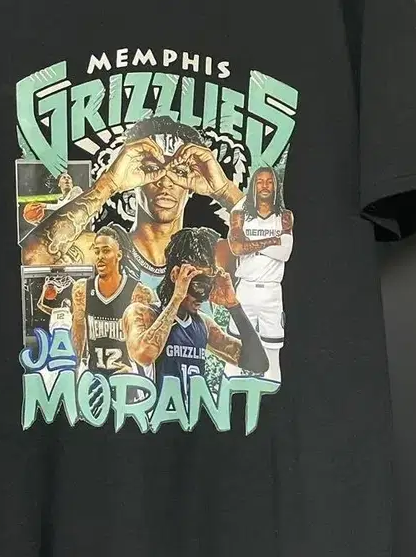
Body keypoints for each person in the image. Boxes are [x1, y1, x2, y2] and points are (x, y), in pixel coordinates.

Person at [20, 116, 243, 291]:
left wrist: (224, 190)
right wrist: (109, 183)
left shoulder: (213, 254)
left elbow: (266, 253)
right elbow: (33, 258)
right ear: (134, 176)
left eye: (179, 172)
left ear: (192, 185)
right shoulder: (104, 250)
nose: (165, 181)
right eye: (152, 168)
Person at [122, 227, 268, 393]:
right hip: (155, 408)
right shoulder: (141, 313)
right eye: (198, 284)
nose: (202, 296)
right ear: (176, 275)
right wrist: (177, 297)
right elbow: (144, 355)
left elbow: (258, 363)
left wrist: (233, 305)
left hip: (191, 409)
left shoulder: (203, 324)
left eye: (208, 284)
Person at [225, 166, 294, 383]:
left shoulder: (284, 216)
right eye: (260, 181)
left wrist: (251, 244)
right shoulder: (239, 215)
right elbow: (237, 248)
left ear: (276, 186)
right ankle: (230, 392)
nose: (265, 186)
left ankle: (271, 393)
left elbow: (285, 253)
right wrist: (273, 241)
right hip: (245, 289)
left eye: (269, 181)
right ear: (253, 185)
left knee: (272, 352)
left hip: (272, 291)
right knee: (235, 349)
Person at [70, 227, 155, 376]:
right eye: (97, 251)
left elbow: (147, 345)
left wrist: (137, 374)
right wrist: (75, 371)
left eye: (106, 251)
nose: (100, 257)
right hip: (95, 377)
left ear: (119, 255)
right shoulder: (82, 289)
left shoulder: (139, 293)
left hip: (128, 377)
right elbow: (78, 332)